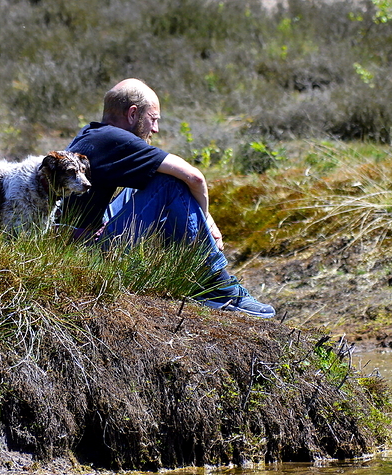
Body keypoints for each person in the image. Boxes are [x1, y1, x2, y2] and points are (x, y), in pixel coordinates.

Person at [60, 78, 275, 318]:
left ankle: (184, 270)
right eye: (153, 119)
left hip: (77, 237)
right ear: (133, 114)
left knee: (154, 176)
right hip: (87, 250)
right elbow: (195, 178)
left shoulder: (93, 134)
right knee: (170, 183)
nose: (155, 129)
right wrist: (207, 220)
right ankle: (215, 284)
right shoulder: (114, 140)